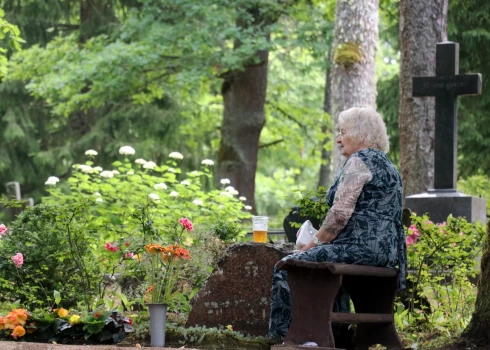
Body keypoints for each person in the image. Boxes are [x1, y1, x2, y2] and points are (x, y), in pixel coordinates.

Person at [268, 107, 407, 341]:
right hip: (387, 254)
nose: (338, 139)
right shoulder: (390, 167)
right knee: (330, 264)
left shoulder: (359, 162)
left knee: (287, 266)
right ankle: (336, 336)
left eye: (343, 132)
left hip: (359, 249)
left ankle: (285, 338)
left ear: (361, 135)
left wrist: (310, 244)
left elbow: (339, 215)